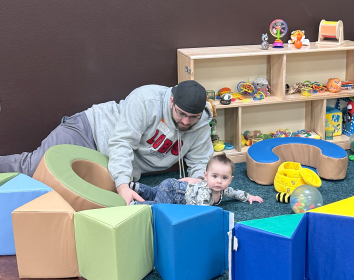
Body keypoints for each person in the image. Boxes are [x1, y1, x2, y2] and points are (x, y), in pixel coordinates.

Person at [0, 80, 214, 205]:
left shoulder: (201, 124)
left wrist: (197, 188)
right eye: (181, 113)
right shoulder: (146, 100)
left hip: (111, 162)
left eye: (192, 117)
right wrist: (122, 185)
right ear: (171, 101)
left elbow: (201, 164)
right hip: (88, 131)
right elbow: (122, 142)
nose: (186, 122)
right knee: (33, 169)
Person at [129, 153, 263, 206]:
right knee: (160, 208)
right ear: (206, 176)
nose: (219, 181)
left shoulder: (223, 190)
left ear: (230, 179)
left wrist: (248, 196)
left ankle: (137, 187)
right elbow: (201, 211)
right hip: (174, 191)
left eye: (224, 178)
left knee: (154, 193)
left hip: (172, 186)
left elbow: (234, 192)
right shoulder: (205, 192)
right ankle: (136, 206)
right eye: (214, 176)